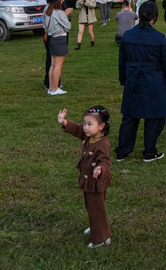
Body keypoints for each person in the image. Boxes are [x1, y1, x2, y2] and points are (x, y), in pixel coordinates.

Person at [115, 2, 166, 163]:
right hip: (153, 80)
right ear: (154, 18)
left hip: (133, 78)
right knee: (155, 117)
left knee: (130, 117)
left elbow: (122, 61)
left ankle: (123, 151)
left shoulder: (128, 35)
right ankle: (149, 150)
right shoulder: (158, 38)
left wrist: (123, 78)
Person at [57, 105, 113, 248]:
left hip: (96, 182)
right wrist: (64, 122)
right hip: (89, 181)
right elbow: (77, 129)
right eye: (85, 123)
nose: (85, 127)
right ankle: (96, 227)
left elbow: (106, 161)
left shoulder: (102, 144)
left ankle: (101, 238)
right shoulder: (91, 136)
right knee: (91, 206)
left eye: (89, 124)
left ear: (101, 126)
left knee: (96, 208)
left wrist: (100, 168)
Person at [46, 0, 73, 96]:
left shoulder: (48, 11)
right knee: (58, 66)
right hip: (60, 39)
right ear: (57, 1)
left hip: (52, 39)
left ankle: (51, 88)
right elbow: (68, 26)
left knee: (52, 65)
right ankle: (55, 88)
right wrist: (65, 16)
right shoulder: (58, 12)